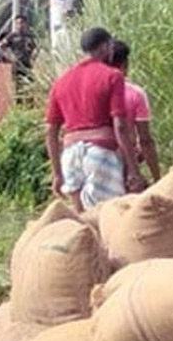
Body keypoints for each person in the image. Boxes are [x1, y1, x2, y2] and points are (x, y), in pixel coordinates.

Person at [44, 27, 144, 212]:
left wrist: (57, 173)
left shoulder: (61, 81)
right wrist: (133, 169)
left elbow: (50, 132)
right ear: (106, 46)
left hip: (70, 155)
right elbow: (120, 126)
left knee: (82, 217)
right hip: (100, 154)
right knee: (107, 215)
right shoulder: (112, 76)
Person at [110, 40, 161, 184]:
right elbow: (145, 140)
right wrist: (157, 179)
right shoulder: (135, 94)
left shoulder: (94, 92)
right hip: (124, 160)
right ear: (125, 65)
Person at [0, 15, 37, 94]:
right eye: (18, 23)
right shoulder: (12, 36)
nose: (20, 25)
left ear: (25, 24)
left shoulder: (30, 36)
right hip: (16, 65)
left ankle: (29, 104)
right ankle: (18, 104)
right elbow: (0, 47)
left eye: (22, 23)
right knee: (17, 87)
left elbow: (37, 47)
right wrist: (8, 56)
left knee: (29, 86)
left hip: (27, 64)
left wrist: (34, 56)